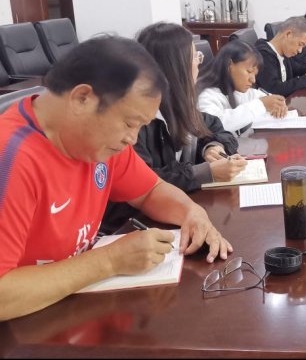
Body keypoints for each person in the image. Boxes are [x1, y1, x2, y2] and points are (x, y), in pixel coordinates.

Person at [0, 36, 231, 321]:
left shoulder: (99, 143)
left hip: (78, 309)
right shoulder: (10, 159)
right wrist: (109, 261)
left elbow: (150, 190)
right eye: (129, 123)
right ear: (82, 98)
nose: (132, 139)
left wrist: (192, 213)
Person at [102, 23, 246, 233]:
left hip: (176, 213)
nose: (199, 64)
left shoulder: (183, 107)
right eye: (195, 57)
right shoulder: (137, 123)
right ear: (177, 67)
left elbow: (215, 128)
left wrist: (212, 147)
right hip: (135, 226)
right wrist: (203, 173)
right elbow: (144, 181)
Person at [197, 40, 289, 134]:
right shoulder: (205, 96)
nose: (253, 80)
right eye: (249, 71)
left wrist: (277, 104)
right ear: (229, 65)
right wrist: (261, 104)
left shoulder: (237, 90)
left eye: (255, 74)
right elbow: (215, 125)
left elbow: (259, 96)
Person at [255, 16, 306, 96]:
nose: (300, 50)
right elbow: (274, 89)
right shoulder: (264, 54)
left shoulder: (284, 54)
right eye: (300, 44)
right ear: (288, 34)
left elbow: (297, 68)